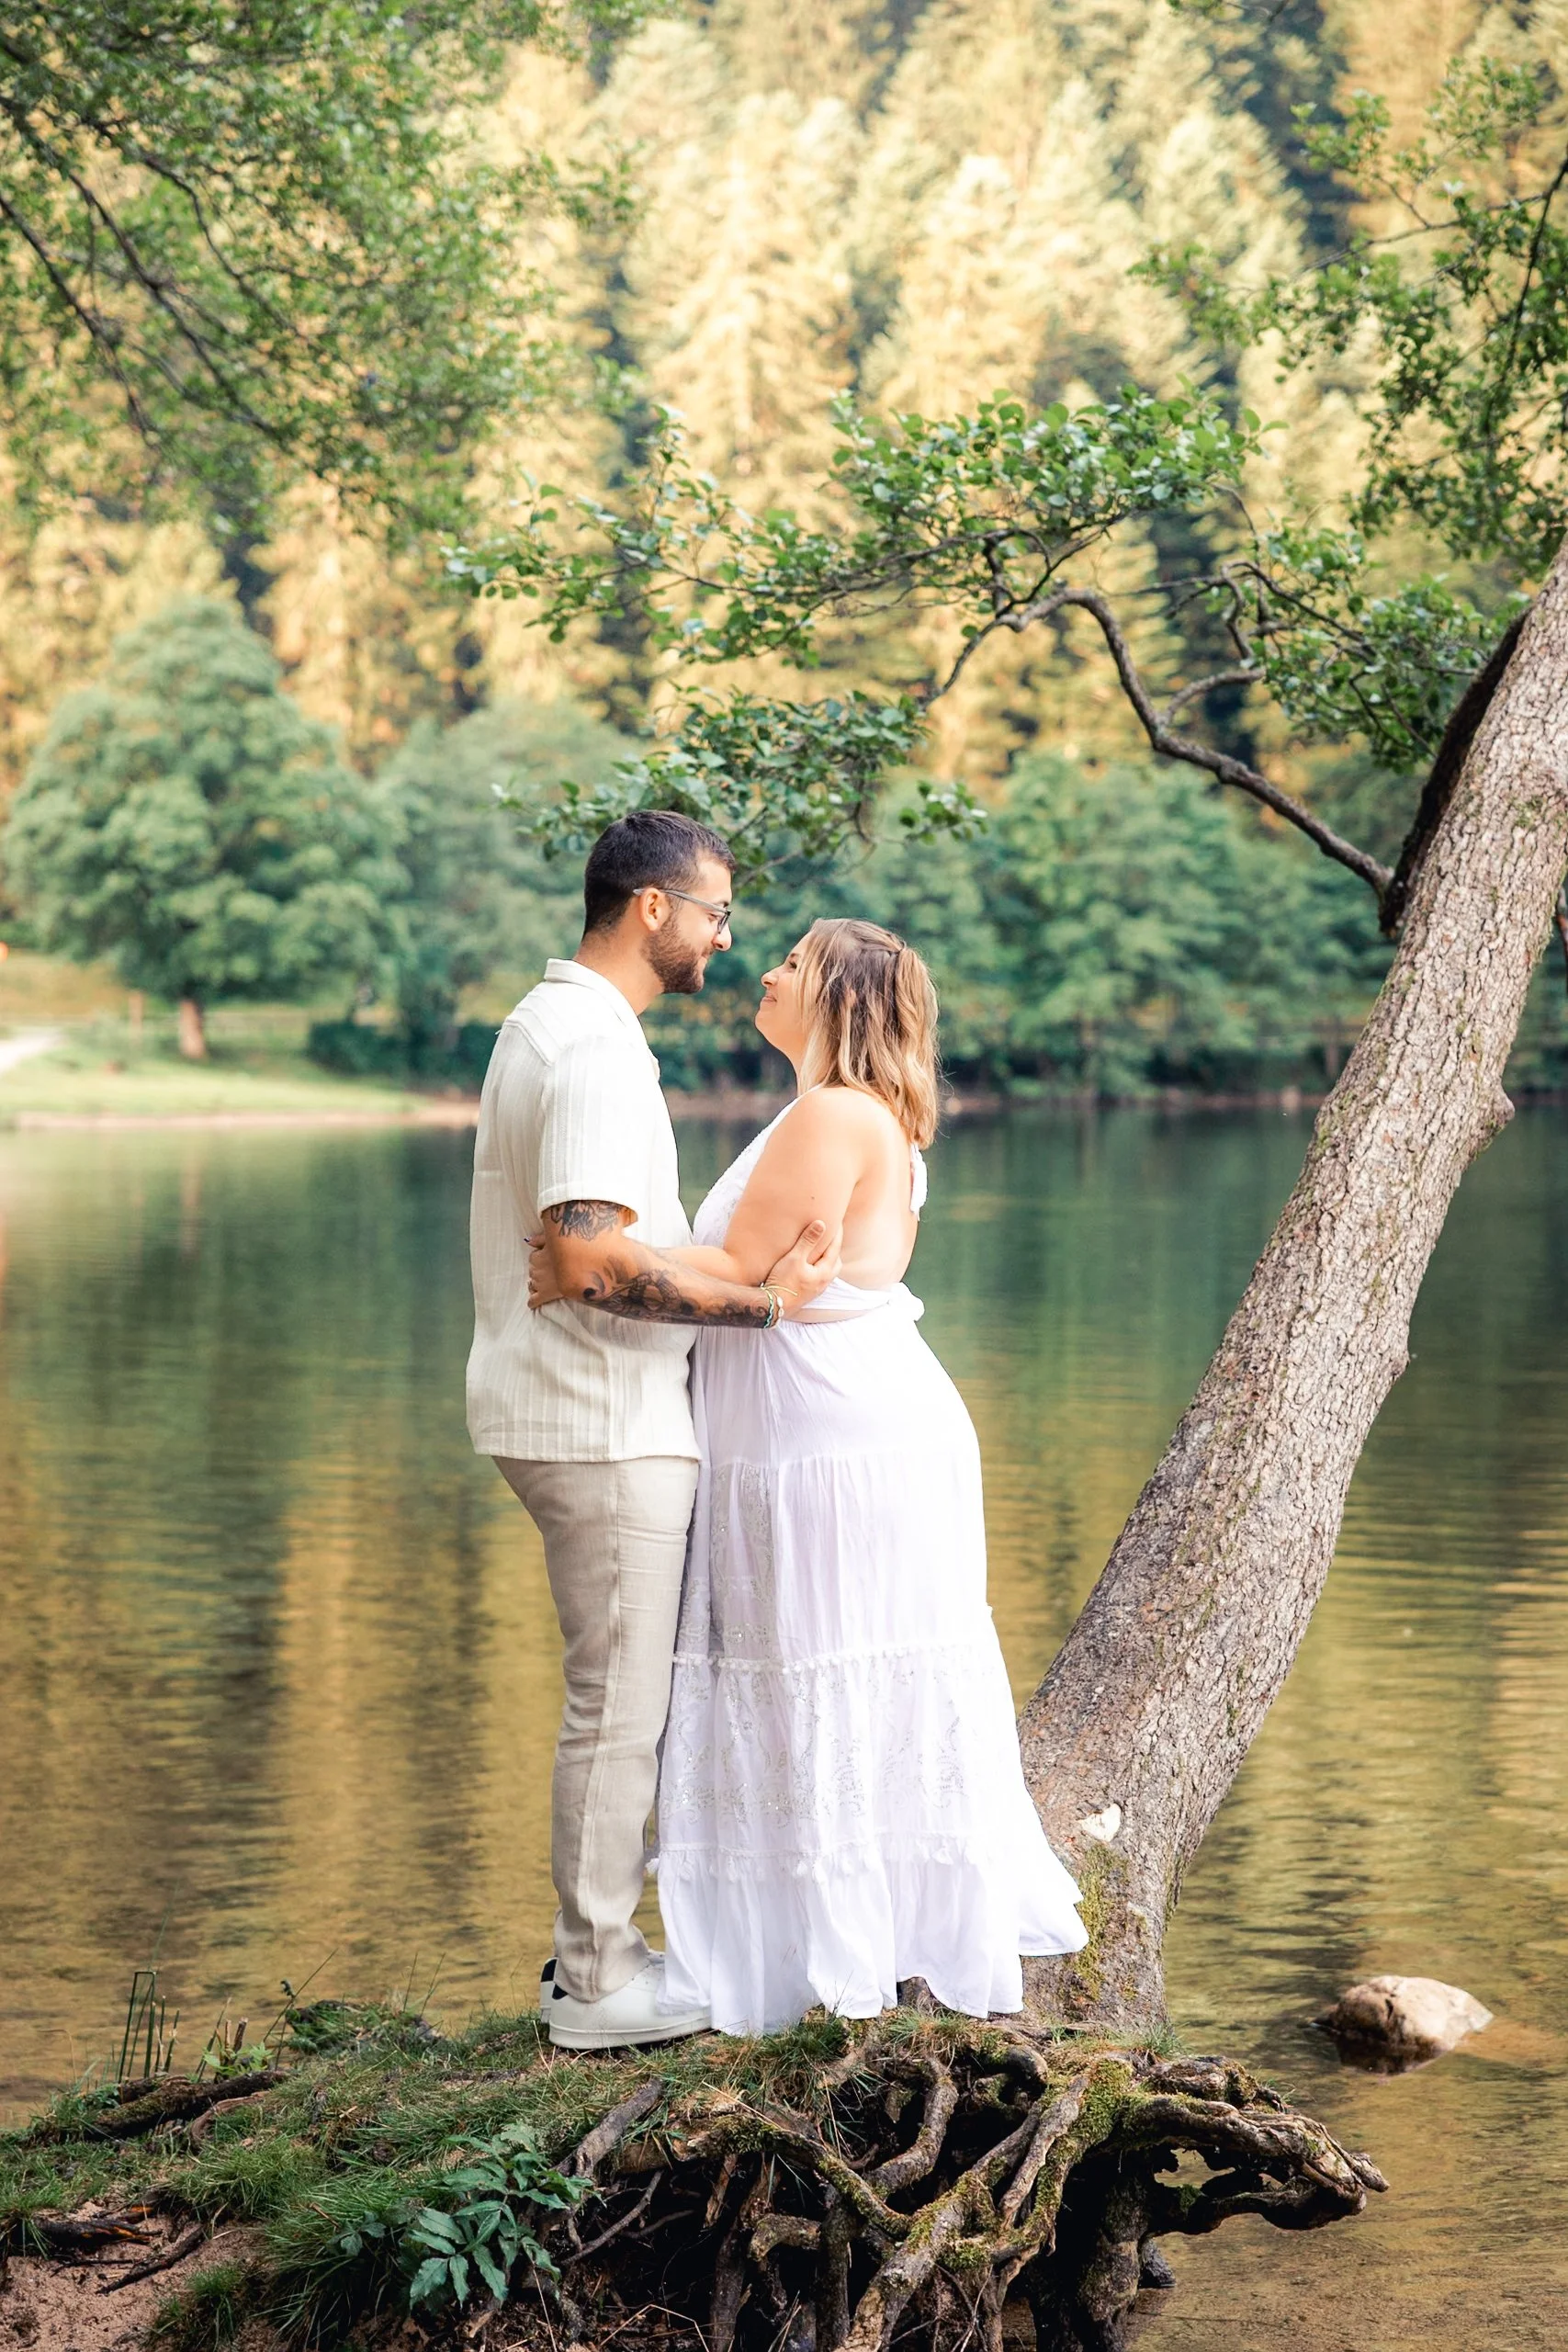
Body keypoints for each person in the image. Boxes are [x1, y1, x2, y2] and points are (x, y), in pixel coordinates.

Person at [532, 916, 1088, 2034]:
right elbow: (749, 1272)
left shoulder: (835, 1114)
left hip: (831, 1442)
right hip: (818, 1430)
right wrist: (613, 1258)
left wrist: (582, 1260)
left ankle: (822, 1961)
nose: (768, 969)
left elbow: (740, 1271)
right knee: (809, 1674)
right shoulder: (834, 1112)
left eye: (791, 959)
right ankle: (823, 1951)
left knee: (814, 1667)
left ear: (835, 996)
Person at [467, 810, 840, 2053]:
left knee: (618, 1698)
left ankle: (596, 1950)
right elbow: (581, 1256)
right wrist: (758, 1303)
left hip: (581, 1407)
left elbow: (591, 1241)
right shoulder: (588, 1045)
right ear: (651, 909)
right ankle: (593, 1981)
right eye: (717, 913)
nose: (725, 940)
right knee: (617, 1707)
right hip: (599, 1418)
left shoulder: (560, 1024)